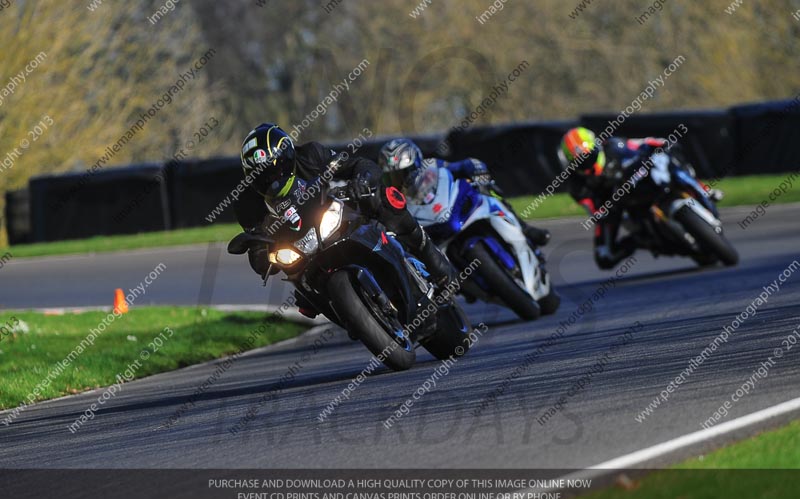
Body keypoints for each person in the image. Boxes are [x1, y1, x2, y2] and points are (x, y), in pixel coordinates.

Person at [234, 124, 455, 314]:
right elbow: (256, 247)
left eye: (274, 170)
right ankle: (345, 313)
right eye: (261, 176)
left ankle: (432, 258)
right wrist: (260, 253)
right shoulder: (246, 203)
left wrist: (362, 180)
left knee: (384, 198)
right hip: (301, 248)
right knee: (302, 294)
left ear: (287, 158)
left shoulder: (310, 155)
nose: (271, 179)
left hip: (335, 216)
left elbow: (357, 164)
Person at [558, 126, 722, 269]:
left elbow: (642, 144)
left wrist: (661, 145)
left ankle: (703, 191)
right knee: (605, 257)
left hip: (642, 179)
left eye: (589, 157)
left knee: (672, 161)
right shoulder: (576, 185)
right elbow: (593, 210)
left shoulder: (615, 145)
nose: (587, 165)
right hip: (617, 205)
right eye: (580, 163)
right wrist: (605, 211)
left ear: (597, 146)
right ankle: (641, 239)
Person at [377, 138, 551, 246]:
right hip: (430, 228)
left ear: (415, 165)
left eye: (402, 174)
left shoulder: (430, 165)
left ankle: (525, 228)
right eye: (391, 178)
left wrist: (476, 169)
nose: (398, 181)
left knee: (487, 189)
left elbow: (460, 165)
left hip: (450, 206)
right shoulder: (392, 200)